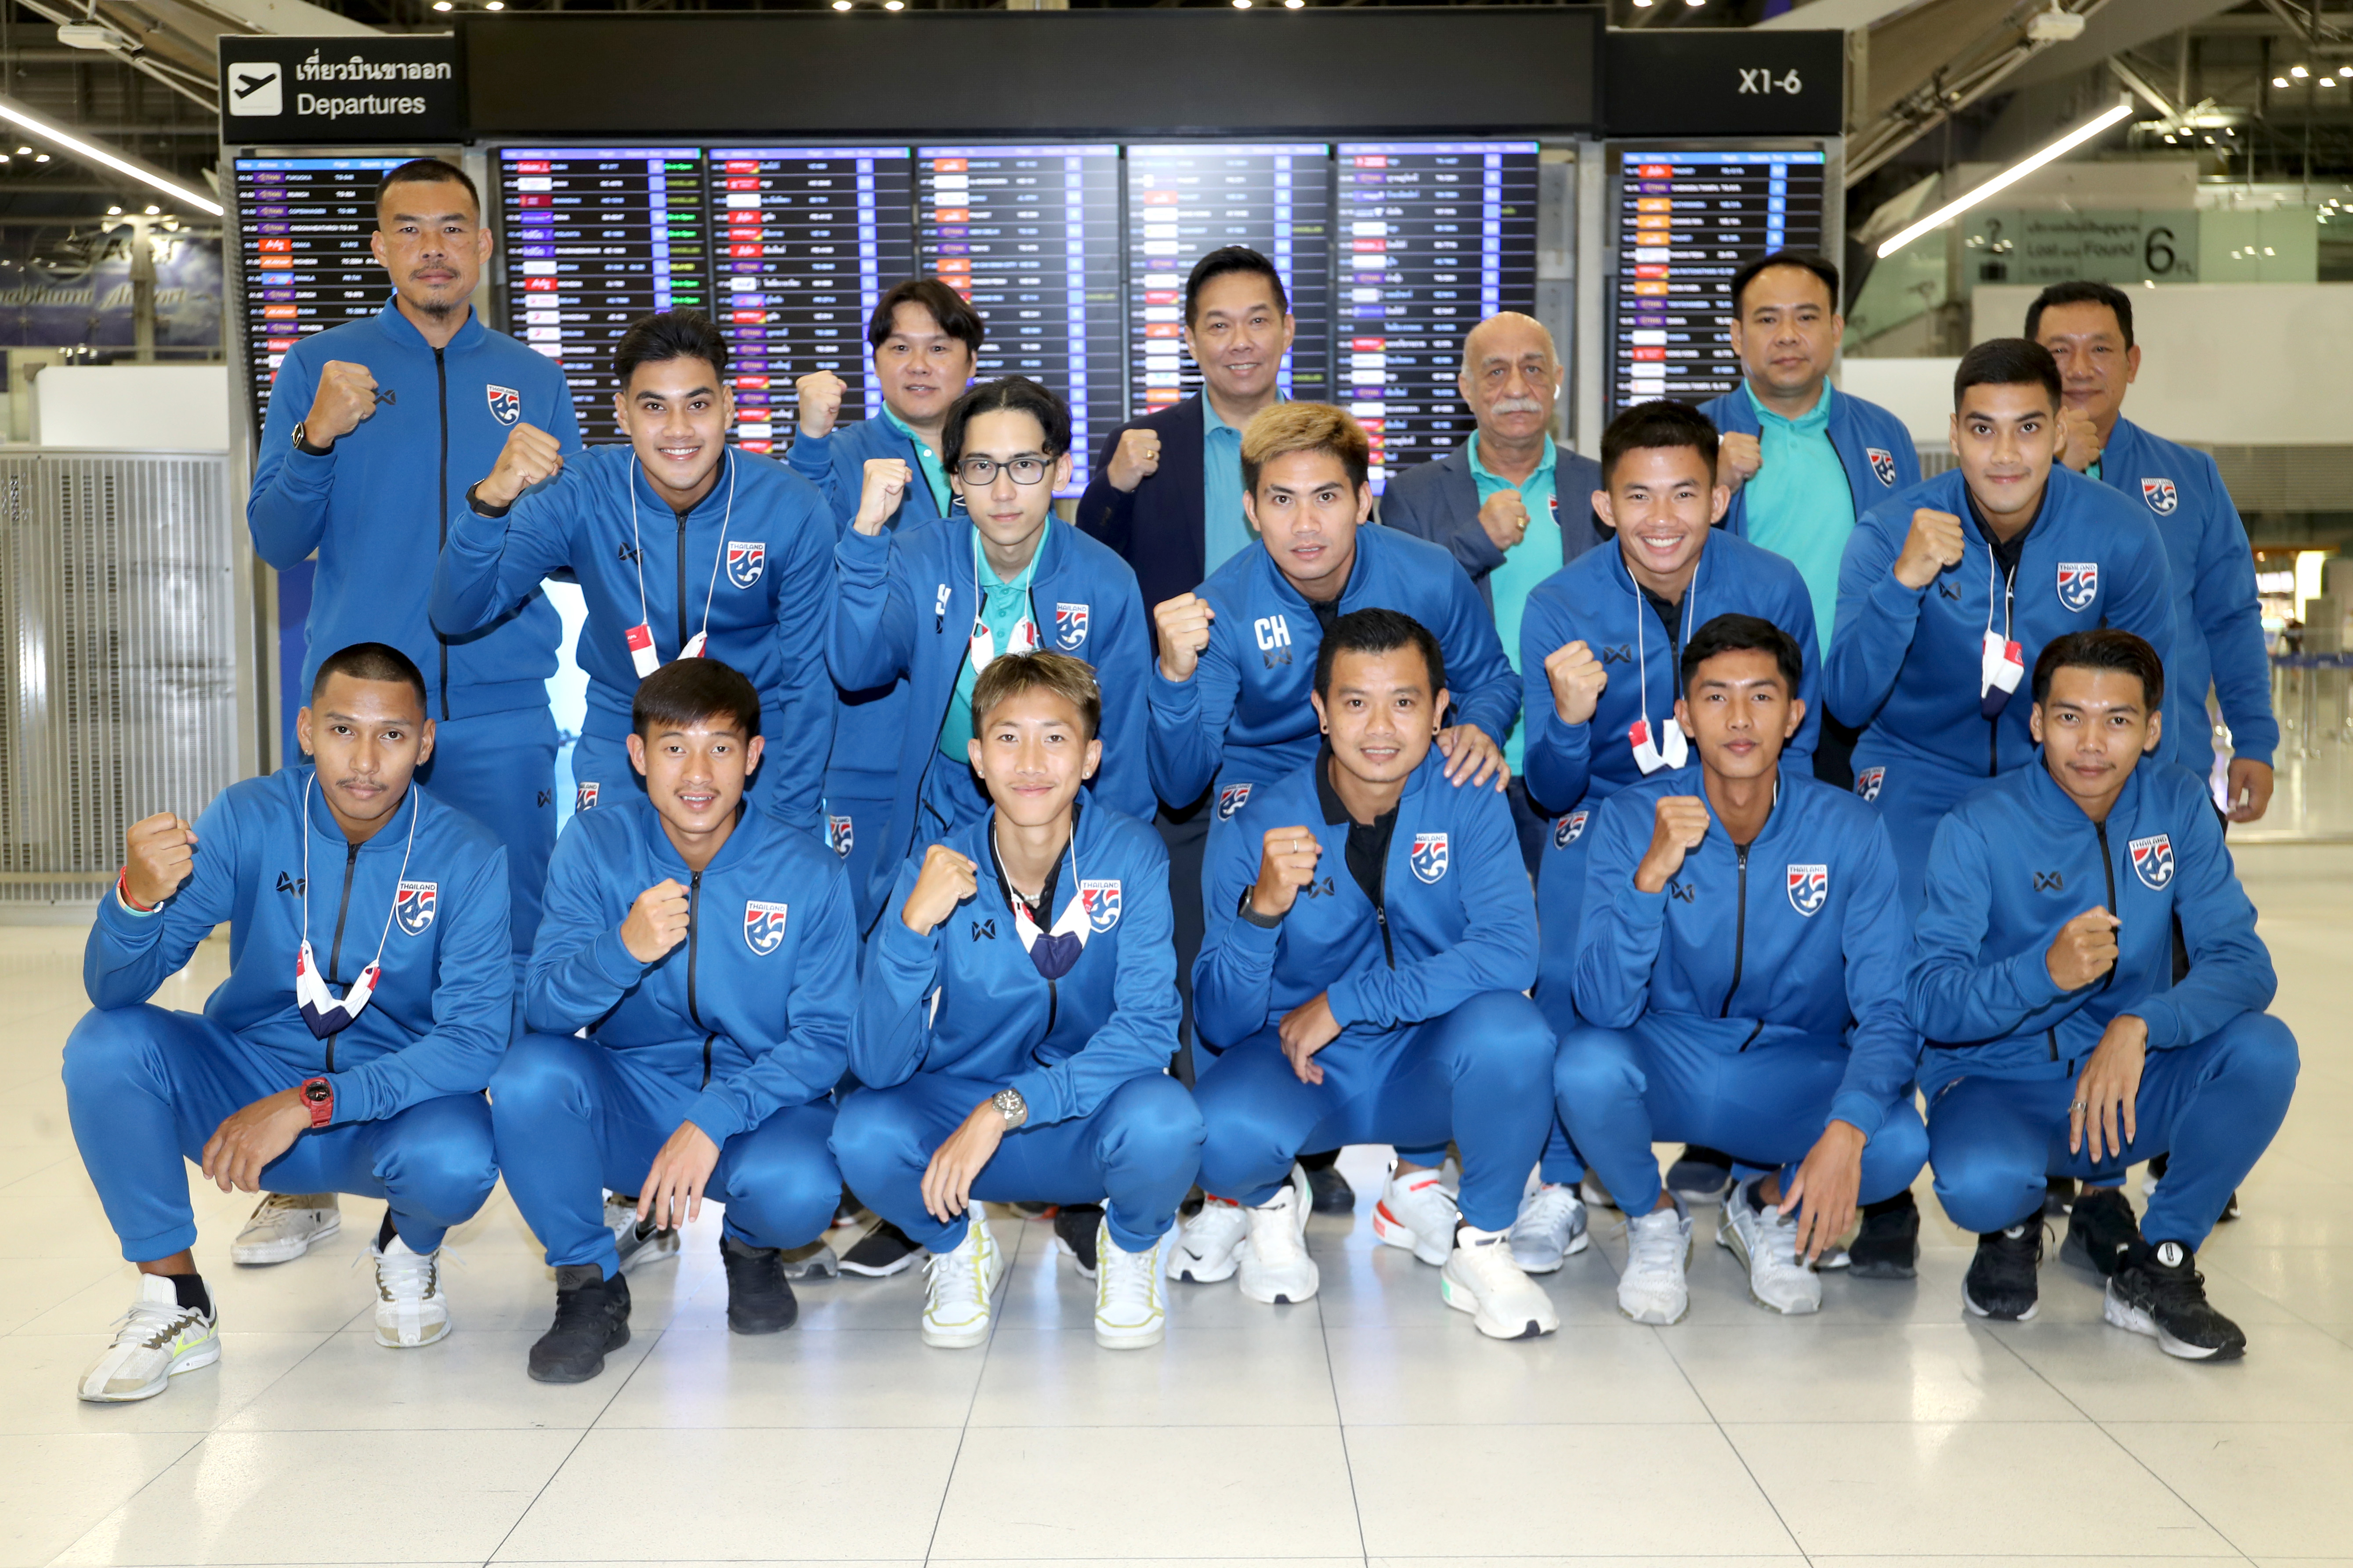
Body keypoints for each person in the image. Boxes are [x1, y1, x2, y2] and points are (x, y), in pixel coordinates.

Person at [246, 159, 568, 1256]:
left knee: (510, 939)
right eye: (409, 230)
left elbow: (559, 544)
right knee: (324, 935)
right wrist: (314, 438)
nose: (433, 248)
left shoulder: (531, 377)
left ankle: (510, 1156)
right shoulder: (319, 368)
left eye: (454, 229)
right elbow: (278, 540)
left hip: (500, 707)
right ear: (380, 249)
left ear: (485, 248)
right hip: (363, 717)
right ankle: (304, 1175)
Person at [61, 643, 510, 1402]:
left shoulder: (468, 857)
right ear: (306, 730)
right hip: (243, 1088)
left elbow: (472, 1044)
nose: (365, 761)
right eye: (342, 731)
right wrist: (135, 900)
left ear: (425, 744)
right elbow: (116, 989)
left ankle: (408, 1246)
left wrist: (313, 1102)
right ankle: (175, 1300)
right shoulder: (248, 818)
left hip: (384, 1112)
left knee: (462, 1154)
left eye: (392, 736)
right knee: (105, 1046)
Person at [1150, 401, 1518, 1228]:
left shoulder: (1426, 574)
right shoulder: (1220, 605)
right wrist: (1174, 677)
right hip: (1262, 793)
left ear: (1363, 499)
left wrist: (1474, 733)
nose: (1305, 523)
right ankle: (1247, 1166)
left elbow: (1494, 681)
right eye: (1281, 500)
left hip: (1401, 766)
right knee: (1218, 938)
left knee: (1443, 908)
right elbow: (1180, 780)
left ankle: (1419, 1164)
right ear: (1250, 510)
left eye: (1326, 497)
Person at [1908, 630, 2297, 1360]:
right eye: (2068, 717)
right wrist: (2040, 974)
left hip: (2126, 1084)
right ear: (2035, 722)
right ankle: (2015, 1224)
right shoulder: (1976, 826)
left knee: (2263, 1051)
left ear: (2152, 729)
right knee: (1980, 1183)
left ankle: (2162, 1263)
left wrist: (2143, 1023)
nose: (2091, 743)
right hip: (2004, 1083)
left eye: (2117, 720)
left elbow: (2243, 962)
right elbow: (1930, 1000)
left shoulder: (2179, 806)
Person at [1173, 609, 1560, 1341]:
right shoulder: (1256, 820)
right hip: (1301, 1069)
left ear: (1442, 710)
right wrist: (1261, 914)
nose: (1380, 728)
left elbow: (1513, 953)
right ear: (1320, 712)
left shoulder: (1470, 793)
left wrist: (1349, 1000)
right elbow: (1219, 1023)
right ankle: (1268, 1203)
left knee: (1516, 1035)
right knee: (1215, 1135)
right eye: (1355, 703)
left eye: (1405, 702)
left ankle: (1479, 1246)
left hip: (1425, 1059)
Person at [1553, 614, 1927, 1324]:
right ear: (1684, 717)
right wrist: (1651, 875)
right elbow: (1601, 1006)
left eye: (1760, 697)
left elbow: (1887, 1007)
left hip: (1792, 1066)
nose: (1739, 719)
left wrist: (1845, 1131)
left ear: (1794, 715)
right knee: (1584, 1067)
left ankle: (1763, 1205)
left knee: (1898, 1142)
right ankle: (1655, 1216)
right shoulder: (1634, 817)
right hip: (1670, 1054)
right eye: (1716, 697)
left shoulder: (1849, 829)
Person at [492, 658, 856, 1383]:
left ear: (753, 757)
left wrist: (717, 1116)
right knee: (528, 1077)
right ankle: (588, 1284)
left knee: (803, 1189)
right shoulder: (596, 847)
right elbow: (544, 1006)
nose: (698, 773)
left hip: (759, 1110)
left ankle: (750, 1252)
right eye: (674, 748)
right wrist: (621, 951)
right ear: (637, 757)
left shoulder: (808, 871)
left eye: (721, 748)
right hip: (635, 1096)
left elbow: (825, 1040)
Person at [831, 650, 1202, 1350]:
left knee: (1168, 1122)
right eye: (1008, 737)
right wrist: (910, 931)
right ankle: (955, 1244)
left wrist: (1007, 1109)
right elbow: (877, 1064)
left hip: (1080, 1114)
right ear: (976, 756)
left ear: (1091, 757)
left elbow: (1150, 1032)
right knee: (861, 1130)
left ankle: (1127, 1246)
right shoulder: (938, 864)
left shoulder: (1132, 854)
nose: (1031, 759)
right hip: (961, 1120)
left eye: (1055, 738)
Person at [1514, 401, 1821, 1238]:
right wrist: (1569, 722)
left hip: (1743, 808)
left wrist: (1754, 832)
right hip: (1606, 810)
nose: (1662, 520)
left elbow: (1803, 734)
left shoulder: (1771, 584)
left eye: (1684, 495)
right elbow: (1547, 787)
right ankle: (1558, 1177)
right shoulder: (1559, 602)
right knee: (1565, 960)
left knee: (1778, 954)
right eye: (1638, 498)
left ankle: (1760, 1178)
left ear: (1718, 498)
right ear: (1603, 506)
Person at [1684, 256, 1920, 1213]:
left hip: (1851, 714)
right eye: (1765, 320)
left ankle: (1836, 1112)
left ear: (1833, 334)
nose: (1786, 336)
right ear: (1736, 337)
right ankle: (1711, 1129)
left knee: (1827, 925)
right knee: (1716, 911)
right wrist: (1723, 482)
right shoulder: (1704, 437)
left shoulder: (1879, 438)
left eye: (1806, 318)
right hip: (1738, 711)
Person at [432, 309, 834, 835]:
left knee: (748, 901)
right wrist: (490, 503)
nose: (679, 430)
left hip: (754, 733)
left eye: (698, 404)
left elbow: (809, 681)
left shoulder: (791, 506)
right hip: (622, 731)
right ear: (622, 414)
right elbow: (455, 612)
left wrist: (796, 819)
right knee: (611, 902)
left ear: (729, 406)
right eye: (654, 407)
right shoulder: (577, 491)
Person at [1826, 338, 2175, 918]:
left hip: (2052, 774)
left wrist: (2150, 821)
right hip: (1914, 765)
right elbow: (1846, 699)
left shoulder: (2121, 532)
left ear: (2060, 432)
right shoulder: (1889, 534)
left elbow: (2153, 697)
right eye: (1984, 430)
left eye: (2029, 429)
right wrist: (1902, 585)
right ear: (1955, 434)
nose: (2005, 455)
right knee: (1899, 936)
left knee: (2080, 945)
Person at [1078, 246, 1296, 1153]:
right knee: (1188, 933)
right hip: (1177, 731)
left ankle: (1292, 1129)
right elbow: (1089, 563)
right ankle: (1190, 1128)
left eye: (1256, 320)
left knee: (1294, 926)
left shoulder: (1320, 443)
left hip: (1292, 730)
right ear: (1189, 338)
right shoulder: (1147, 445)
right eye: (1217, 323)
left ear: (1286, 329)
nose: (1239, 341)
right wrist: (1110, 486)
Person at [2027, 280, 2277, 821]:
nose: (2079, 367)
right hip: (2032, 783)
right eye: (2058, 351)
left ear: (2131, 362)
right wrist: (2050, 475)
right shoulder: (1998, 486)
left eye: (2100, 349)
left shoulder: (2191, 480)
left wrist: (2254, 739)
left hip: (2170, 776)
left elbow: (2231, 619)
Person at [1380, 311, 1608, 872]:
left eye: (1533, 370)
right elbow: (1397, 622)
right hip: (1461, 757)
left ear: (1556, 379)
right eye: (1495, 372)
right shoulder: (1412, 497)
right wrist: (1476, 543)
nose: (1515, 389)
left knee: (1568, 940)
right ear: (1466, 388)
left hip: (1580, 754)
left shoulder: (1602, 486)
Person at [789, 279, 985, 917]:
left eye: (938, 346)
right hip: (872, 751)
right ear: (874, 361)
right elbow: (794, 545)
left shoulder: (996, 459)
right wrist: (811, 442)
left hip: (982, 760)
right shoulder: (840, 456)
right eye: (900, 347)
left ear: (971, 362)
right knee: (863, 934)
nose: (920, 365)